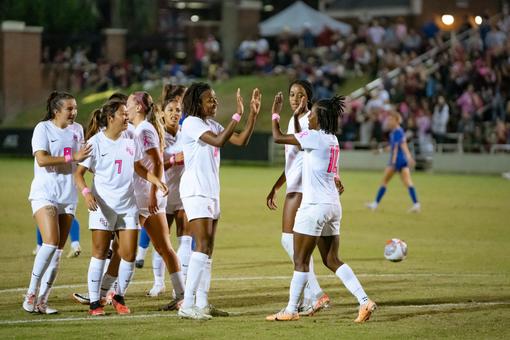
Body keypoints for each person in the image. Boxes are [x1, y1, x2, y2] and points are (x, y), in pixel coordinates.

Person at [266, 94, 376, 322]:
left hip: (314, 206)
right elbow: (328, 168)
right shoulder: (332, 140)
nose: (309, 117)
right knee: (331, 260)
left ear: (320, 118)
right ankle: (364, 301)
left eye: (312, 114)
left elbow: (278, 137)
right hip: (333, 205)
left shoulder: (314, 137)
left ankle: (290, 310)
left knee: (300, 261)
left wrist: (275, 113)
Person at [76, 99, 168, 316]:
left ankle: (117, 296)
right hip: (102, 206)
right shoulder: (95, 142)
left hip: (127, 205)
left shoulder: (131, 137)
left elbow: (137, 167)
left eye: (127, 113)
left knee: (128, 254)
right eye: (123, 114)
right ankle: (94, 304)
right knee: (99, 253)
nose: (127, 117)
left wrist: (155, 180)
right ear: (110, 118)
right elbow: (78, 174)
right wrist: (87, 194)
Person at [177, 83, 261, 320]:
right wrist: (238, 115)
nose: (214, 103)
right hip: (196, 190)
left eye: (214, 99)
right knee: (201, 246)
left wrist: (252, 114)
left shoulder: (212, 124)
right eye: (209, 100)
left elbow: (241, 140)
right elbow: (218, 141)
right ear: (197, 103)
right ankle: (188, 303)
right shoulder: (191, 122)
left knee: (208, 250)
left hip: (212, 191)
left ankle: (203, 302)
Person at [23, 91, 92, 314]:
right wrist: (72, 157)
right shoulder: (43, 129)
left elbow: (83, 159)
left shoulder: (78, 130)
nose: (74, 112)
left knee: (58, 251)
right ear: (56, 111)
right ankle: (31, 294)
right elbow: (41, 159)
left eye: (75, 108)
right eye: (69, 109)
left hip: (68, 195)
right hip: (45, 193)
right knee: (50, 242)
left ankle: (42, 300)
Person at [266, 80, 329, 316]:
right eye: (292, 94)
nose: (294, 98)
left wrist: (274, 112)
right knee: (296, 245)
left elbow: (280, 138)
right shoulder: (299, 121)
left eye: (300, 95)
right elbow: (292, 161)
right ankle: (306, 298)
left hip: (302, 188)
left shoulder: (305, 121)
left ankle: (316, 293)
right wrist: (276, 186)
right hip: (295, 184)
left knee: (289, 241)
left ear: (308, 98)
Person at [127, 91, 185, 310]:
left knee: (125, 248)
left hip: (145, 198)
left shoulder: (144, 130)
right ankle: (181, 295)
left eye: (129, 103)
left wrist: (153, 193)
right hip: (142, 196)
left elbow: (157, 162)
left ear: (139, 107)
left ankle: (105, 293)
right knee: (162, 248)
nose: (127, 107)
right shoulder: (139, 129)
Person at [147, 84, 192, 299]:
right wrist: (174, 160)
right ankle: (158, 283)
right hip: (163, 196)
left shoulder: (187, 134)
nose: (175, 114)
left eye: (178, 110)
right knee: (162, 243)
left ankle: (180, 285)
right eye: (171, 110)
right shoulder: (157, 135)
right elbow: (152, 166)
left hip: (184, 195)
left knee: (185, 239)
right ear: (162, 113)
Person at [366, 110, 420, 212]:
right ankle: (416, 204)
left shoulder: (397, 132)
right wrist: (381, 150)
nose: (388, 122)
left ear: (396, 120)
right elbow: (397, 146)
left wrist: (400, 159)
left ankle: (375, 204)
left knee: (384, 181)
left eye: (390, 120)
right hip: (402, 160)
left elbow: (399, 146)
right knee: (408, 182)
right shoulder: (397, 132)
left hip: (396, 161)